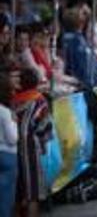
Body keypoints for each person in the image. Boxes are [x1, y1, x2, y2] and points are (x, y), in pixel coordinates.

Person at [12, 68, 52, 217]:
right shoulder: (39, 100)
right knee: (32, 193)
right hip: (31, 149)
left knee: (17, 192)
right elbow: (45, 127)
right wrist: (43, 143)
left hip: (12, 148)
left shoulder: (12, 101)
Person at [0, 73, 18, 217]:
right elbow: (12, 139)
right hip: (7, 154)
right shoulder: (5, 112)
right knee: (6, 197)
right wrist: (14, 123)